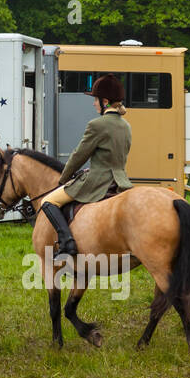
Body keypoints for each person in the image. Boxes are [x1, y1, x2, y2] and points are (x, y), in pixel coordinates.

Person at [41, 73, 133, 257]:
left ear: (105, 101)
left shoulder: (97, 124)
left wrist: (63, 179)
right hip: (121, 181)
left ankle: (67, 244)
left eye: (95, 100)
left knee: (48, 201)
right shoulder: (126, 125)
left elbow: (78, 156)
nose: (93, 103)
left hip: (97, 182)